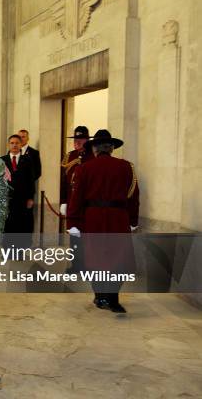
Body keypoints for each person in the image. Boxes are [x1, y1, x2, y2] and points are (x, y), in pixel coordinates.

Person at [67, 129, 139, 313]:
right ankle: (112, 297)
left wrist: (73, 222)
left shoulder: (84, 168)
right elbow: (133, 196)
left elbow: (77, 197)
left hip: (93, 217)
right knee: (118, 258)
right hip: (119, 217)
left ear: (95, 149)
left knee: (95, 257)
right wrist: (132, 220)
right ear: (112, 148)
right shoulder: (127, 167)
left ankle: (100, 296)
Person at [60, 126, 94, 274]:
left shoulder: (93, 157)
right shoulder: (69, 156)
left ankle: (88, 266)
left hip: (88, 205)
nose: (77, 142)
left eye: (80, 140)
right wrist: (63, 201)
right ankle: (76, 266)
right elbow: (63, 181)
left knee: (87, 237)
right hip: (72, 203)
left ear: (87, 141)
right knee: (74, 237)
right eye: (75, 140)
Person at [0, 135, 35, 240]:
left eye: (17, 143)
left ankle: (20, 250)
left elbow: (31, 180)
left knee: (22, 225)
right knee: (7, 224)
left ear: (21, 144)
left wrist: (30, 198)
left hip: (22, 199)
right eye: (12, 143)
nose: (14, 145)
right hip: (6, 199)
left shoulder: (27, 160)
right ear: (8, 145)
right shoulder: (2, 160)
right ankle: (7, 250)